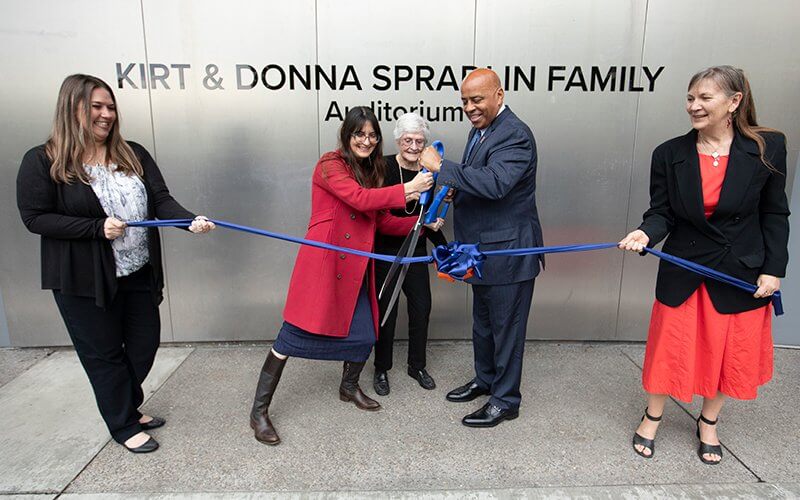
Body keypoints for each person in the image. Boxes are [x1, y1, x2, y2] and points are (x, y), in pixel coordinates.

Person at [16, 74, 215, 454]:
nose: (106, 114)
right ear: (71, 108)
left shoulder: (132, 153)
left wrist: (188, 220)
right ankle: (123, 424)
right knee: (104, 354)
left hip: (137, 271)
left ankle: (124, 404)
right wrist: (95, 227)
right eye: (96, 107)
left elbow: (160, 199)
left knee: (143, 346)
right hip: (83, 280)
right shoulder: (44, 160)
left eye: (110, 107)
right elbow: (34, 217)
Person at [619, 66, 789, 464]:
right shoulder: (669, 153)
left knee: (730, 352)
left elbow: (775, 213)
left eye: (704, 99)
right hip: (685, 265)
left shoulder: (768, 147)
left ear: (734, 102)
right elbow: (661, 212)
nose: (693, 106)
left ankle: (708, 421)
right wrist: (646, 234)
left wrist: (773, 269)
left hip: (740, 269)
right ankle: (652, 415)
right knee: (669, 349)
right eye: (690, 98)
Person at [249, 106, 440, 445]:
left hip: (355, 265)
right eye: (359, 134)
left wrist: (420, 224)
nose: (366, 140)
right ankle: (259, 412)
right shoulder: (330, 165)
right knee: (289, 339)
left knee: (366, 330)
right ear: (347, 135)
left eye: (371, 135)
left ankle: (348, 387)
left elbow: (380, 219)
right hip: (326, 262)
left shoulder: (369, 172)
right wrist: (410, 189)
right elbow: (360, 200)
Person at [419, 68, 544, 427]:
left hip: (508, 253)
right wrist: (457, 187)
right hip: (482, 250)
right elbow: (480, 178)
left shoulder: (515, 134)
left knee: (506, 329)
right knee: (484, 325)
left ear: (499, 96)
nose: (470, 108)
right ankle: (486, 379)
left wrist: (443, 167)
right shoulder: (481, 130)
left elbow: (497, 183)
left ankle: (505, 401)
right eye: (464, 102)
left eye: (477, 99)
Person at [373, 112, 448, 396]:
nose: (414, 146)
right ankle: (381, 367)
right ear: (398, 140)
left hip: (416, 249)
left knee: (421, 307)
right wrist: (423, 221)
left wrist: (442, 239)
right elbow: (381, 217)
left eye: (419, 141)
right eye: (408, 140)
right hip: (386, 251)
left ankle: (417, 365)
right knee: (386, 312)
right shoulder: (383, 167)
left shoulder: (431, 169)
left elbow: (431, 213)